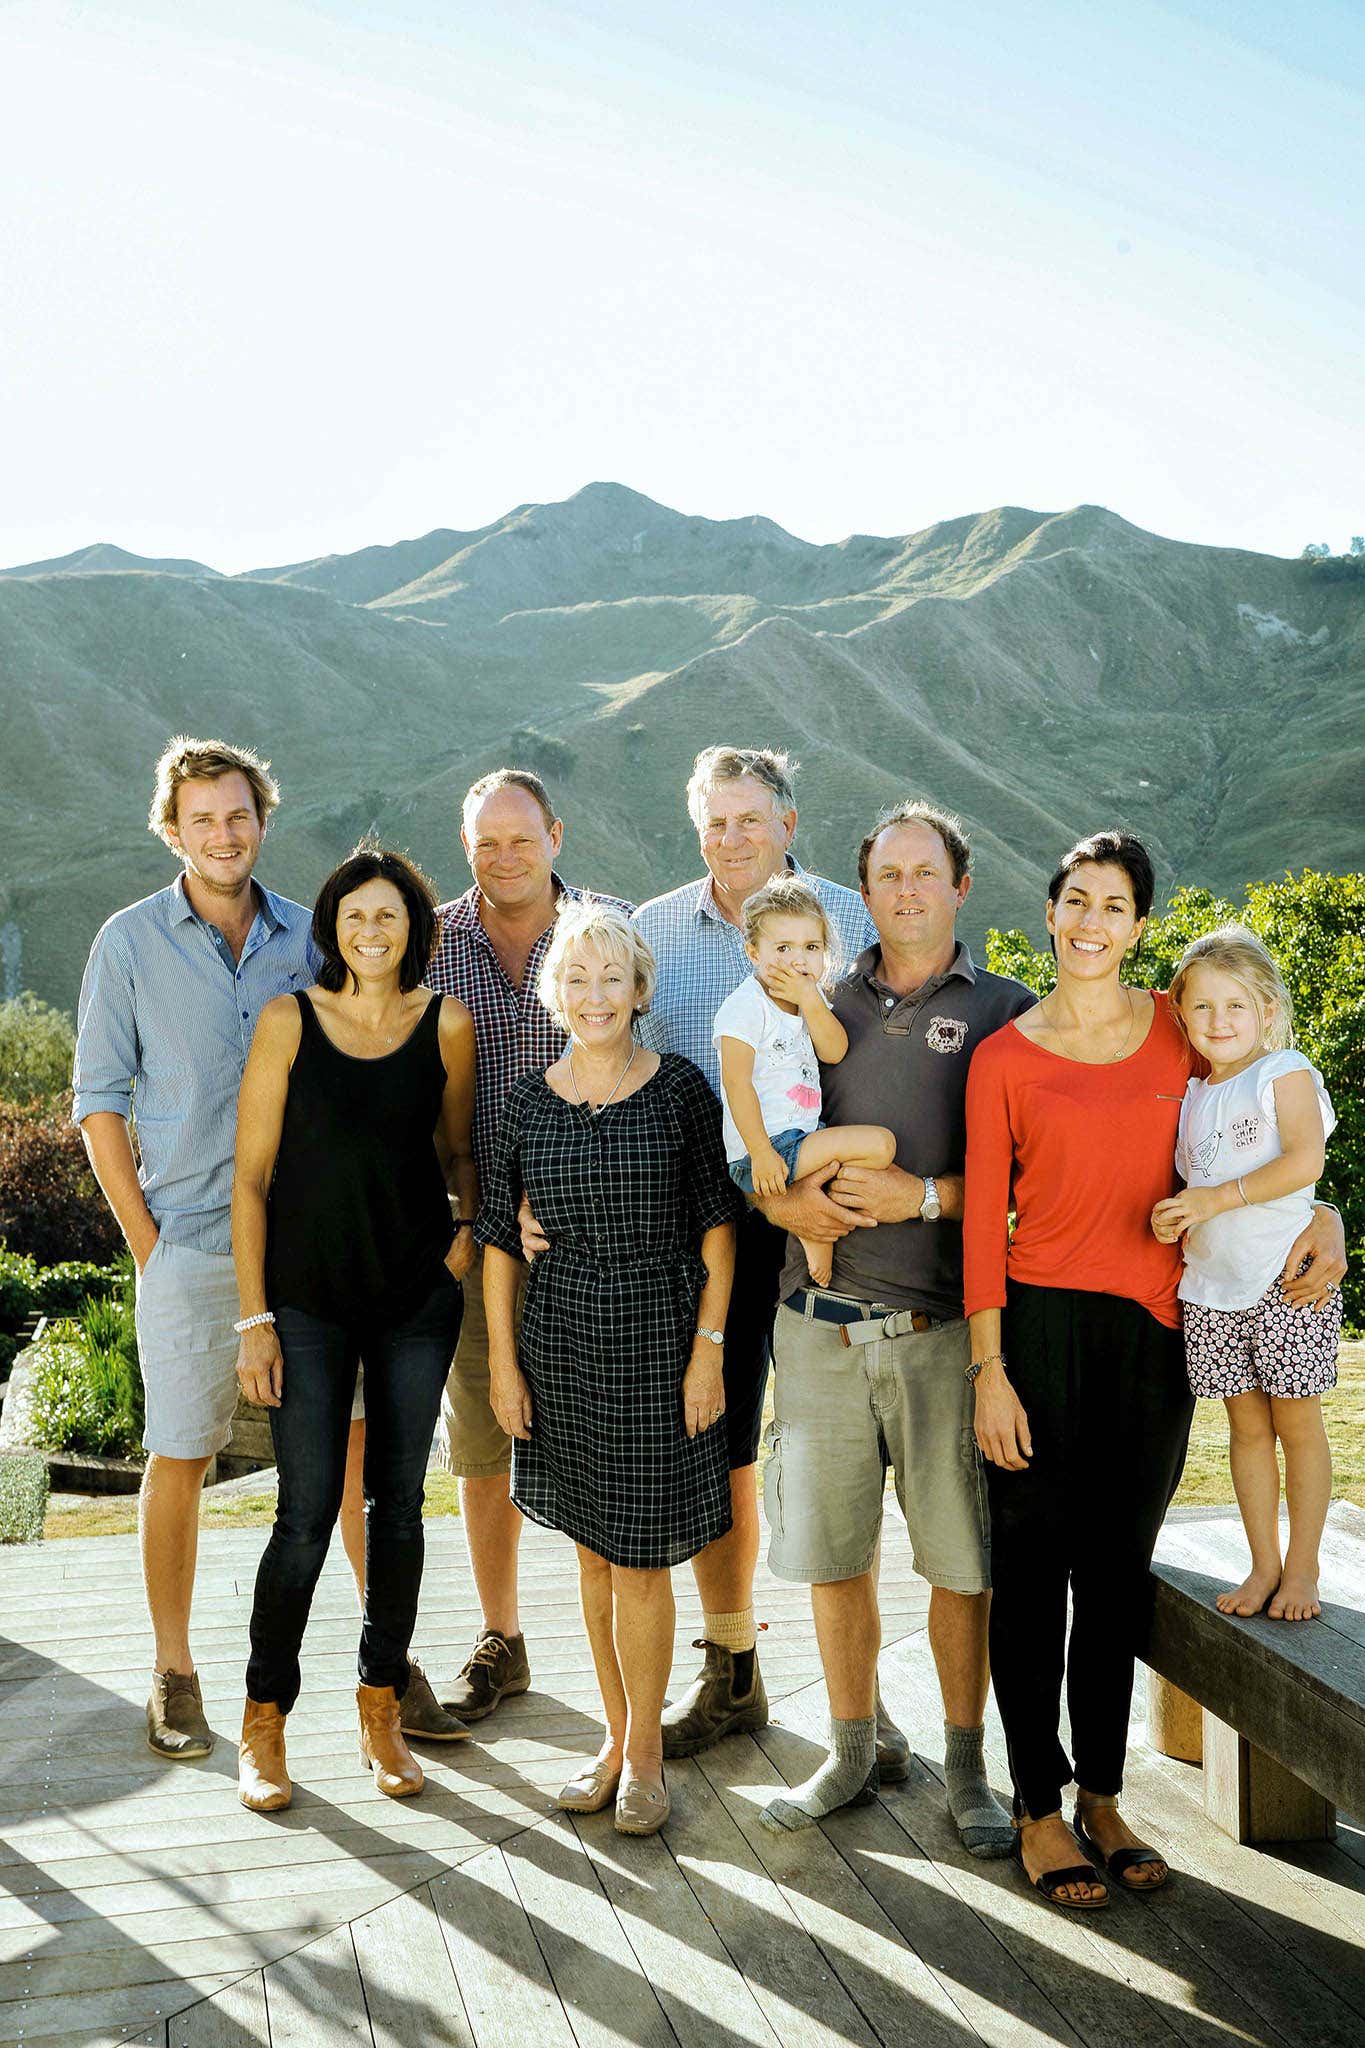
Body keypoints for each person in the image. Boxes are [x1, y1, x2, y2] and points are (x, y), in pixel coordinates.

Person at [964, 832, 1348, 1911]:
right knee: (1033, 1569)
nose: (1093, 920)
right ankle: (1038, 1804)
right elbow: (981, 1230)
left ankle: (1103, 1792)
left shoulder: (1184, 1030)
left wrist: (1327, 1213)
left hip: (1157, 1330)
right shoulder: (1005, 1053)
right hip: (1034, 1328)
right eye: (1076, 900)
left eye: (1116, 905)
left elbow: (1275, 1125)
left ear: (1140, 927)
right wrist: (989, 1368)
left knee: (1118, 1570)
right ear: (1051, 912)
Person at [72, 736, 365, 1761]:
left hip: (318, 1245)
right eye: (202, 819)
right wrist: (146, 1242)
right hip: (190, 1243)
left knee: (356, 1449)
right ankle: (173, 1667)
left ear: (263, 817)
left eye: (238, 815)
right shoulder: (128, 942)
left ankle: (386, 1658)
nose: (223, 834)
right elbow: (99, 1102)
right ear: (173, 828)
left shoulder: (313, 936)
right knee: (182, 1454)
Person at [756, 801, 1035, 1845]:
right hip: (818, 1325)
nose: (906, 890)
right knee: (834, 1554)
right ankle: (852, 1747)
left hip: (944, 1331)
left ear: (962, 887)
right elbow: (766, 1134)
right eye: (886, 875)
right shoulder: (814, 999)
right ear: (861, 891)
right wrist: (781, 1200)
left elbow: (1035, 1181)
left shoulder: (1009, 1009)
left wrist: (923, 1196)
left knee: (959, 1560)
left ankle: (968, 1769)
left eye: (926, 872)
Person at [625, 745, 879, 1761]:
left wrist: (823, 1196)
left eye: (750, 818)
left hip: (834, 1215)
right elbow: (618, 1060)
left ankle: (863, 1702)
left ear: (788, 822)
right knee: (719, 1443)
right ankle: (732, 1667)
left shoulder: (851, 922)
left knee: (841, 1447)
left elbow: (873, 1065)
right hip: (711, 1233)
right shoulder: (653, 931)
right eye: (715, 821)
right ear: (700, 833)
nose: (732, 837)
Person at [479, 902, 738, 1835]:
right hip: (557, 1349)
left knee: (637, 1561)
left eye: (611, 979)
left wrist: (707, 1353)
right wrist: (505, 1368)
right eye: (576, 980)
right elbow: (501, 1241)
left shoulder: (677, 1091)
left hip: (656, 1343)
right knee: (591, 1553)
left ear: (638, 989)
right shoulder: (525, 1099)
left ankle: (647, 1762)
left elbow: (717, 1225)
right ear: (557, 992)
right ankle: (613, 1737)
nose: (594, 996)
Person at [231, 845, 477, 1811]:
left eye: (389, 916)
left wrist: (459, 1241)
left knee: (401, 1510)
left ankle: (380, 1703)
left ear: (415, 928)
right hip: (308, 1302)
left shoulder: (445, 1023)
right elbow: (250, 1181)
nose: (370, 931)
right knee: (301, 1515)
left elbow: (457, 1150)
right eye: (353, 915)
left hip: (416, 1297)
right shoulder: (289, 1021)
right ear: (330, 928)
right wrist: (255, 1317)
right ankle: (264, 1721)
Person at [424, 769, 631, 1726]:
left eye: (521, 837)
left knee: (612, 1435)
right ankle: (502, 1639)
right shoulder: (432, 944)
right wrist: (481, 1210)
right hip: (478, 1234)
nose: (504, 856)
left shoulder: (609, 932)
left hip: (603, 1242)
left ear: (556, 832)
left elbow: (652, 1069)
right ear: (467, 847)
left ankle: (637, 1660)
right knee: (484, 1435)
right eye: (485, 842)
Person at [1153, 926, 1340, 1623]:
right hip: (1211, 1287)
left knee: (1296, 1424)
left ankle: (1302, 1568)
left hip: (1282, 1280)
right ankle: (1262, 1563)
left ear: (1265, 1008)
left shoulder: (1282, 1070)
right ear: (1181, 1014)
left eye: (1234, 1005)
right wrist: (1172, 1216)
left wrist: (1214, 1200)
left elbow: (1303, 1163)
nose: (1217, 1021)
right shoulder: (1194, 1094)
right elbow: (1194, 1183)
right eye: (1200, 1008)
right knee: (1245, 1429)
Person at [715, 875, 894, 1287]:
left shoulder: (808, 1003)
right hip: (766, 1151)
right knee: (880, 1144)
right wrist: (760, 1153)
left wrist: (812, 999)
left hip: (801, 1137)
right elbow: (736, 1084)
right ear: (753, 952)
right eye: (783, 948)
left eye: (811, 948)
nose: (799, 960)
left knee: (876, 1149)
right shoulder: (744, 1007)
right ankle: (814, 1228)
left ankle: (813, 1226)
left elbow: (834, 1050)